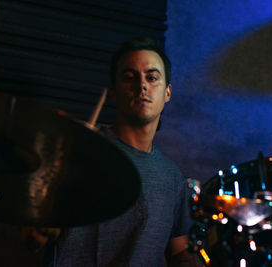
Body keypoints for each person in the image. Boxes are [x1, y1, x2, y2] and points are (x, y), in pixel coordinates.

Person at [46, 37, 195, 266]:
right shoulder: (79, 151)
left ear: (167, 93)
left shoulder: (173, 179)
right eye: (129, 77)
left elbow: (179, 253)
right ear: (114, 92)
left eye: (152, 78)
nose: (142, 86)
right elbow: (34, 230)